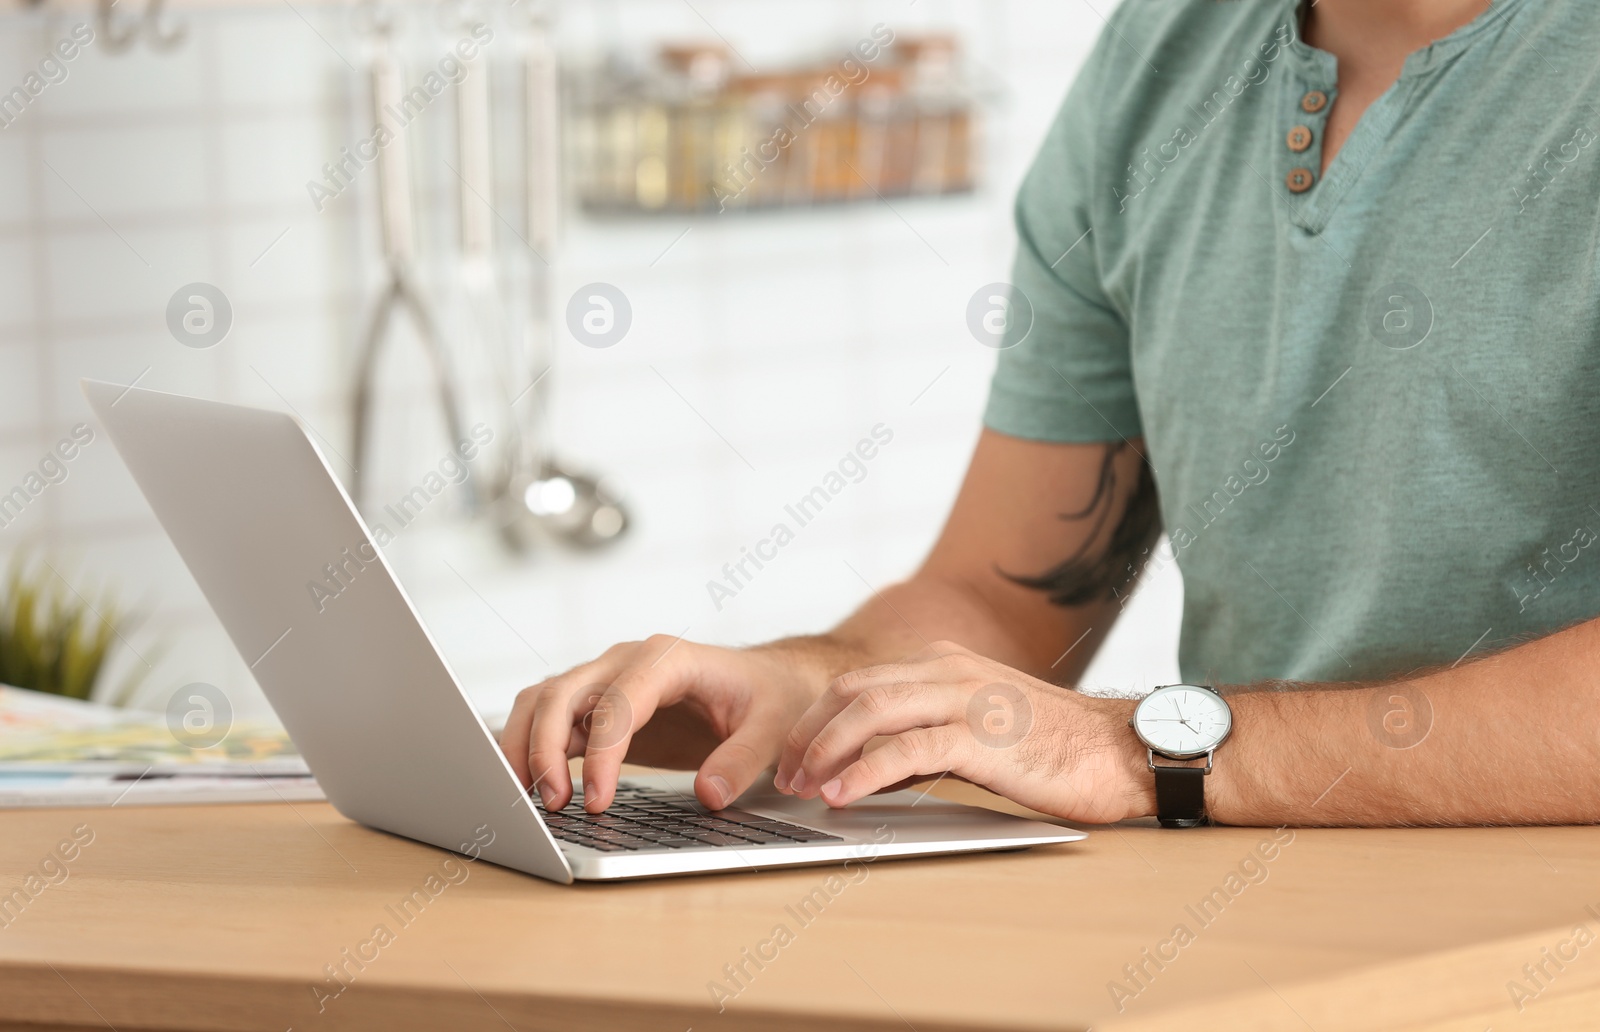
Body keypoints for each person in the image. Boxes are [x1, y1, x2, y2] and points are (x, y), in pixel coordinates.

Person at [501, 0, 1600, 827]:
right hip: (1255, 928)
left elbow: (1115, 751)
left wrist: (1144, 754)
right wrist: (810, 684)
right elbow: (1003, 592)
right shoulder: (1165, 55)